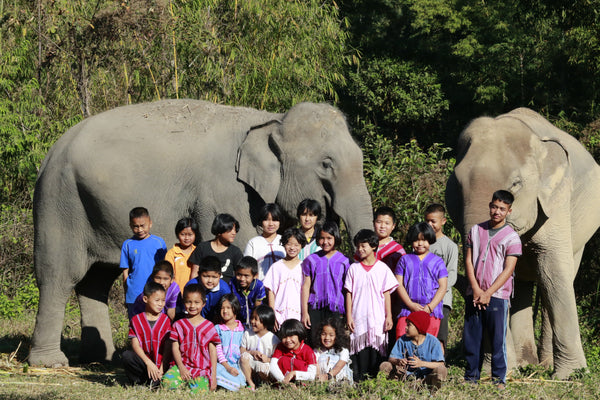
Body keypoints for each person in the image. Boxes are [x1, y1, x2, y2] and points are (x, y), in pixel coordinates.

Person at [463, 190, 522, 388]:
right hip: (474, 293)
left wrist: (488, 293)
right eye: (494, 207)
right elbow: (468, 261)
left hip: (497, 296)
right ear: (490, 206)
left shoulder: (512, 237)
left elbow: (509, 269)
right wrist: (476, 289)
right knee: (472, 338)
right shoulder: (475, 231)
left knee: (498, 340)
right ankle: (471, 378)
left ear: (509, 211)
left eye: (502, 209)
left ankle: (499, 380)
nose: (497, 212)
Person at [344, 229, 398, 382]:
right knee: (358, 351)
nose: (360, 249)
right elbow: (349, 293)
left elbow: (386, 293)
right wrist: (349, 316)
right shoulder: (354, 269)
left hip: (377, 317)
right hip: (358, 315)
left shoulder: (382, 269)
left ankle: (375, 382)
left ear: (373, 246)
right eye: (358, 246)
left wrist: (389, 316)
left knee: (376, 349)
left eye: (363, 246)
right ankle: (358, 382)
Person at [162, 283, 221, 392]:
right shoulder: (178, 325)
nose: (192, 306)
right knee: (167, 382)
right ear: (184, 303)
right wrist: (181, 367)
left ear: (203, 303)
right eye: (189, 302)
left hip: (201, 369)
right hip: (182, 367)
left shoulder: (209, 326)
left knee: (198, 391)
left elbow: (213, 351)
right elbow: (174, 347)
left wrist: (213, 376)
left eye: (196, 302)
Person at [395, 222, 448, 339]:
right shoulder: (404, 260)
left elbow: (443, 287)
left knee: (426, 344)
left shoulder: (438, 261)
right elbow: (399, 284)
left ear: (430, 240)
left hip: (431, 312)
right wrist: (410, 304)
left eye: (424, 240)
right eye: (416, 240)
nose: (420, 244)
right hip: (408, 310)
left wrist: (430, 307)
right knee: (402, 338)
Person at [301, 221, 349, 337]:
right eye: (322, 238)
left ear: (336, 238)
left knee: (335, 340)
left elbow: (348, 290)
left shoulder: (344, 261)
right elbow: (306, 286)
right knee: (315, 338)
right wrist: (304, 312)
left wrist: (348, 314)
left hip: (336, 308)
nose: (325, 242)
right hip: (315, 308)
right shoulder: (311, 260)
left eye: (329, 238)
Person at [122, 281, 172, 387]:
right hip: (144, 363)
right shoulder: (136, 320)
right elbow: (135, 345)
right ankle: (138, 382)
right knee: (127, 356)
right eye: (157, 300)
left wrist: (161, 369)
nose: (161, 304)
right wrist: (148, 362)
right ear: (145, 299)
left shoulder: (166, 320)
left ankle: (156, 381)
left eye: (163, 300)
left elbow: (168, 348)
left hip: (160, 367)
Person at [120, 207, 167, 319]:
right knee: (136, 325)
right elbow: (125, 271)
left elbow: (164, 269)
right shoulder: (128, 244)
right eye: (136, 226)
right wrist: (127, 293)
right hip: (134, 294)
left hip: (154, 293)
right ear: (131, 226)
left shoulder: (159, 242)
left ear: (150, 223)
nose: (140, 229)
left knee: (155, 325)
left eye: (143, 225)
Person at [379, 311, 447, 389]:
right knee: (385, 365)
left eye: (409, 325)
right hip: (405, 378)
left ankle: (432, 393)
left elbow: (440, 364)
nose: (406, 327)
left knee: (441, 370)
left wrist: (421, 363)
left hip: (426, 380)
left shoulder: (433, 342)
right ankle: (391, 389)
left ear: (419, 327)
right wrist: (398, 361)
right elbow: (391, 359)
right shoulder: (402, 340)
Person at [424, 204, 458, 354]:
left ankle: (439, 365)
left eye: (433, 221)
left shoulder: (449, 246)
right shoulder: (421, 243)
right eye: (427, 221)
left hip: (442, 300)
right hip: (422, 299)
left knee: (439, 335)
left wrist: (438, 291)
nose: (430, 224)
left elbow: (452, 274)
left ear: (443, 221)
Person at [263, 228, 307, 329]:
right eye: (289, 244)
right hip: (279, 317)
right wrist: (272, 314)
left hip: (298, 315)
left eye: (296, 245)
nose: (292, 248)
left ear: (302, 246)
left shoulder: (304, 267)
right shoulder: (276, 267)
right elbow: (271, 292)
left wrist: (305, 313)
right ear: (284, 244)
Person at [189, 213, 243, 283]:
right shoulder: (202, 248)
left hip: (226, 292)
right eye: (230, 229)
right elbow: (194, 273)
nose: (234, 233)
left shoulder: (235, 252)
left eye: (235, 230)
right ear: (220, 229)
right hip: (203, 291)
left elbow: (239, 275)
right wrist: (194, 289)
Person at [240, 305, 281, 390]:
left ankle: (266, 384)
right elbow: (242, 350)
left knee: (263, 366)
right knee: (244, 357)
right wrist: (252, 352)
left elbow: (278, 358)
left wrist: (267, 359)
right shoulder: (248, 334)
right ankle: (251, 383)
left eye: (256, 319)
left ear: (265, 321)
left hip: (264, 366)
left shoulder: (273, 339)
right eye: (252, 318)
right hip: (251, 365)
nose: (252, 321)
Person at [243, 203, 286, 280]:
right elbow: (246, 268)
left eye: (275, 220)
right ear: (261, 221)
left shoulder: (286, 241)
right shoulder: (253, 243)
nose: (271, 224)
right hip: (260, 288)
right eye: (266, 219)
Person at [214, 294, 246, 391]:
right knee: (216, 369)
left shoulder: (242, 329)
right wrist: (227, 367)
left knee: (240, 378)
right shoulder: (217, 329)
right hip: (222, 364)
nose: (225, 311)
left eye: (228, 308)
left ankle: (231, 384)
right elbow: (218, 351)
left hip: (237, 364)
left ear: (235, 308)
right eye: (222, 308)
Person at [269, 319, 317, 384]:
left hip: (302, 382)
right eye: (284, 337)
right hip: (283, 380)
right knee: (283, 360)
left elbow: (312, 375)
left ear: (299, 334)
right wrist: (284, 381)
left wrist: (294, 374)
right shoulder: (280, 347)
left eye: (291, 336)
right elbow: (273, 365)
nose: (288, 340)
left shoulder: (308, 351)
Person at [186, 256, 231, 322]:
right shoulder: (192, 286)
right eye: (206, 276)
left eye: (214, 277)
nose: (210, 280)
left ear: (220, 275)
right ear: (198, 274)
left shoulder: (224, 290)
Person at [229, 256, 266, 329]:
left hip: (253, 322)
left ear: (255, 275)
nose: (242, 279)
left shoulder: (259, 286)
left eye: (246, 276)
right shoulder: (232, 283)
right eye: (239, 274)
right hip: (237, 322)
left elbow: (257, 308)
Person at [313, 317, 353, 383]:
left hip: (339, 381)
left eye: (331, 335)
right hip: (323, 381)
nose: (327, 338)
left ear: (337, 336)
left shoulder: (343, 350)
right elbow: (316, 366)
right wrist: (318, 377)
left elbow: (339, 366)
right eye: (323, 334)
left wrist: (328, 376)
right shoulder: (317, 351)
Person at [165, 217, 199, 292]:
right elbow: (168, 275)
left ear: (195, 235)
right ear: (177, 235)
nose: (186, 238)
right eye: (183, 234)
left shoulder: (198, 251)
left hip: (193, 294)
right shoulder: (171, 253)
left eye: (190, 234)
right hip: (175, 294)